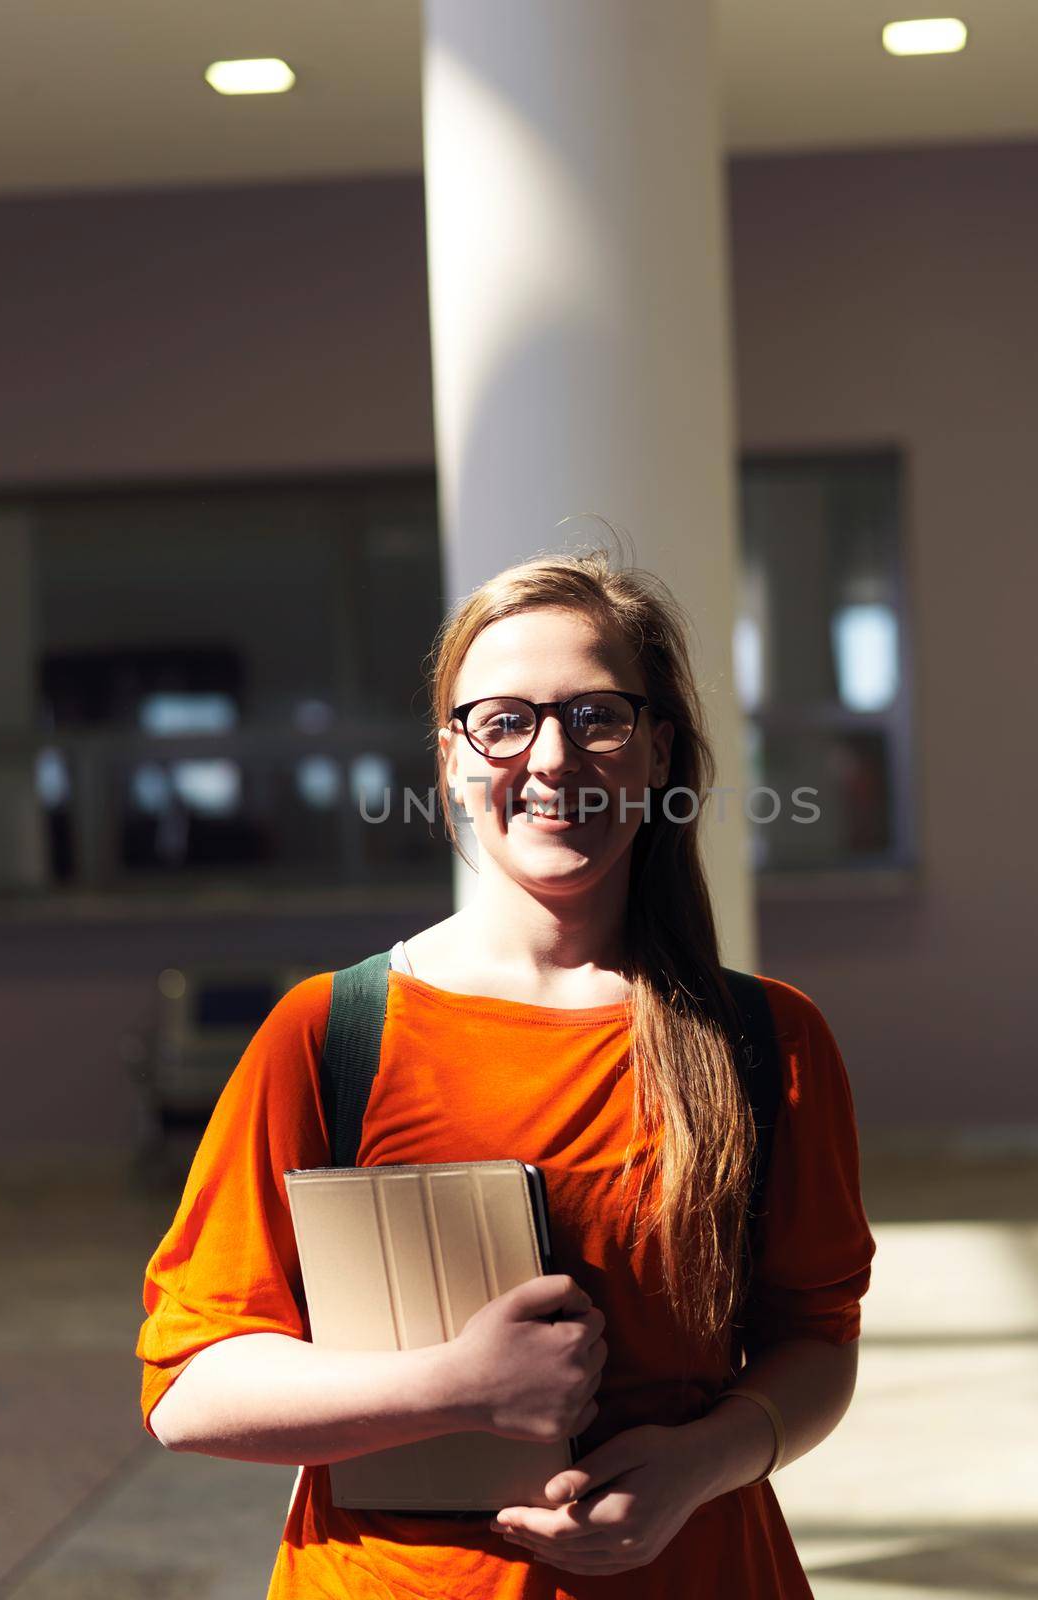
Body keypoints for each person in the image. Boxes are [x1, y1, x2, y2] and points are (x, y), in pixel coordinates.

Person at [135, 544, 877, 1598]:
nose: (551, 758)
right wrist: (457, 1386)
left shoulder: (767, 1039)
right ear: (450, 760)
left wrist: (699, 1464)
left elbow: (817, 1342)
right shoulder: (330, 1035)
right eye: (504, 721)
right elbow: (188, 1388)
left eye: (597, 716)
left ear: (658, 750)